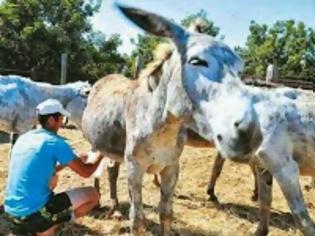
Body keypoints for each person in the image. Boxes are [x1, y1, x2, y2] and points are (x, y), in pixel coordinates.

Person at [4, 99, 104, 236]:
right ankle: (49, 226)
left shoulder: (24, 138)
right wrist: (102, 153)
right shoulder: (55, 142)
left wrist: (70, 162)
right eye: (61, 119)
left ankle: (40, 226)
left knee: (53, 178)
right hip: (33, 214)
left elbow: (38, 170)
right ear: (52, 120)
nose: (62, 123)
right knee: (93, 195)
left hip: (11, 212)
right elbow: (87, 172)